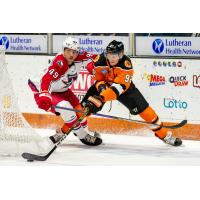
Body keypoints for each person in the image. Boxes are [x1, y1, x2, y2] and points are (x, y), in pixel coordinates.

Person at [82, 40, 182, 146]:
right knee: (84, 108)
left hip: (124, 89)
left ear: (121, 55)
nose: (112, 58)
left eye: (115, 55)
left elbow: (118, 88)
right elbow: (99, 80)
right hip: (105, 86)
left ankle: (164, 135)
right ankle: (81, 132)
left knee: (147, 113)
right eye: (110, 55)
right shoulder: (99, 61)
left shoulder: (126, 64)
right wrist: (101, 90)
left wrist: (101, 98)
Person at [28, 36, 102, 146]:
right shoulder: (60, 63)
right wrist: (44, 96)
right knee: (66, 108)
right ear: (63, 50)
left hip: (62, 90)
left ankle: (60, 133)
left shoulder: (80, 56)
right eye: (68, 51)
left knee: (80, 112)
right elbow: (46, 80)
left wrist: (95, 70)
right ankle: (83, 136)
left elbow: (95, 59)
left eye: (74, 52)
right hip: (44, 90)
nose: (71, 55)